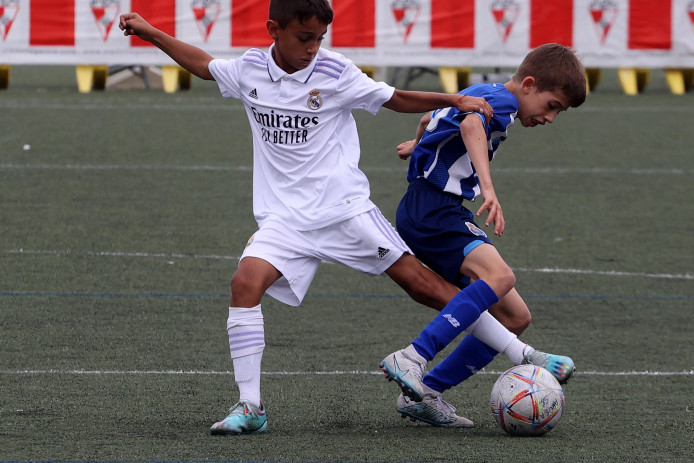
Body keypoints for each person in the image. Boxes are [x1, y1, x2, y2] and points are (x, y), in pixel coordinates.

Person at [117, 0, 507, 436]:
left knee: (426, 287)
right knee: (245, 283)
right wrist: (150, 32)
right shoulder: (250, 69)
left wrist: (454, 98)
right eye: (305, 38)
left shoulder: (334, 72)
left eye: (320, 38)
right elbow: (205, 65)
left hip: (342, 210)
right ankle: (250, 406)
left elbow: (395, 98)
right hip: (285, 221)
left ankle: (523, 354)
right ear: (273, 29)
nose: (313, 48)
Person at [380, 43, 586, 428]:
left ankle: (426, 393)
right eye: (553, 105)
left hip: (431, 208)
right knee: (501, 277)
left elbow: (431, 117)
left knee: (514, 315)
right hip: (434, 209)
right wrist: (488, 189)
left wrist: (418, 144)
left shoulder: (486, 91)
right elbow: (470, 124)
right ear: (528, 85)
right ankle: (413, 355)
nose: (552, 117)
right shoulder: (503, 105)